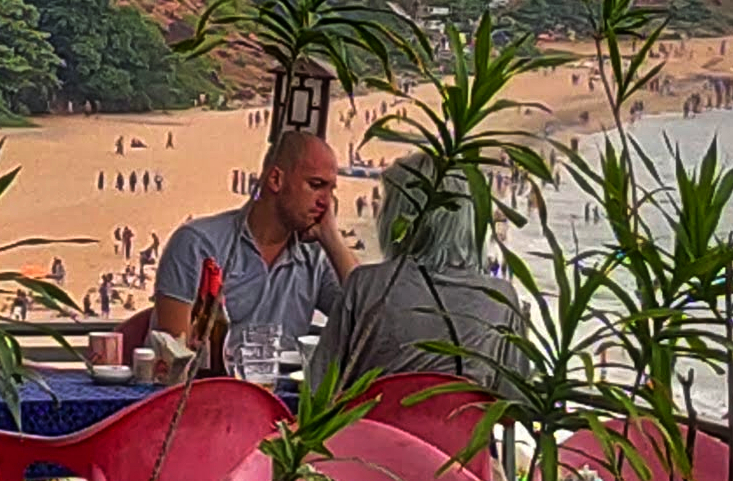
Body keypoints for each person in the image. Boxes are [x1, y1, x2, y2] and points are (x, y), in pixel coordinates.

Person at [310, 153, 519, 390]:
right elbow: (511, 408)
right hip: (464, 427)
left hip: (374, 425)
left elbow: (319, 388)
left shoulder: (366, 285)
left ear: (399, 217)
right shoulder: (502, 300)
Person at [152, 128, 360, 357]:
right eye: (316, 185)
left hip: (281, 390)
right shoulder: (198, 244)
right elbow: (173, 353)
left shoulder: (314, 258)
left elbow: (368, 317)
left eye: (331, 191)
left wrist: (332, 239)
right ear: (276, 179)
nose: (326, 203)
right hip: (209, 386)